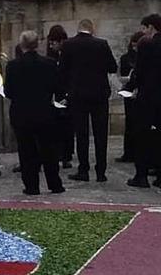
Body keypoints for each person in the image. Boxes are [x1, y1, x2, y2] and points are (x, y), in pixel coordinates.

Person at [124, 14, 161, 190]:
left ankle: (141, 175)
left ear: (150, 27)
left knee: (142, 135)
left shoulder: (146, 45)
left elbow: (140, 72)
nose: (143, 32)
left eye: (144, 28)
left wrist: (130, 87)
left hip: (149, 96)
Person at [5, 31, 64, 196]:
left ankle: (31, 186)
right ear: (37, 44)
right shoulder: (50, 63)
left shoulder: (12, 66)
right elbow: (57, 88)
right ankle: (55, 184)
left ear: (21, 45)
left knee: (26, 151)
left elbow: (9, 92)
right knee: (49, 151)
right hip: (45, 112)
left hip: (21, 114)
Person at [59, 19, 118, 182]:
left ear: (79, 29)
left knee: (82, 133)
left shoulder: (69, 45)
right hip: (99, 94)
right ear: (92, 29)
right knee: (101, 133)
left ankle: (83, 169)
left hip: (78, 95)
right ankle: (101, 171)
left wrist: (66, 91)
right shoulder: (101, 44)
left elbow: (62, 71)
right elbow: (113, 67)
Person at [45, 25, 72, 169]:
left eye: (54, 43)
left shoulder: (68, 56)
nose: (51, 46)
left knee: (66, 127)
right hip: (55, 95)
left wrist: (68, 96)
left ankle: (66, 155)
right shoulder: (51, 58)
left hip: (65, 95)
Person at [116, 31, 142, 163]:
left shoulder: (142, 57)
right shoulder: (125, 58)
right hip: (129, 91)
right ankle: (129, 152)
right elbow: (120, 75)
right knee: (130, 123)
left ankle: (137, 152)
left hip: (138, 92)